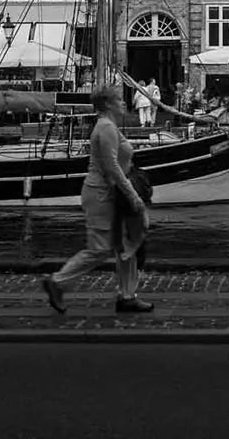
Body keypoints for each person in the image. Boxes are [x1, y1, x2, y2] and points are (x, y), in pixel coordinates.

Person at [40, 86, 152, 315]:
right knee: (101, 248)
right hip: (102, 194)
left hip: (110, 193)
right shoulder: (107, 128)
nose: (123, 103)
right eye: (119, 99)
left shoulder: (107, 126)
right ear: (108, 104)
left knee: (127, 244)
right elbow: (112, 167)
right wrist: (133, 195)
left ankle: (128, 295)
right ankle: (58, 281)